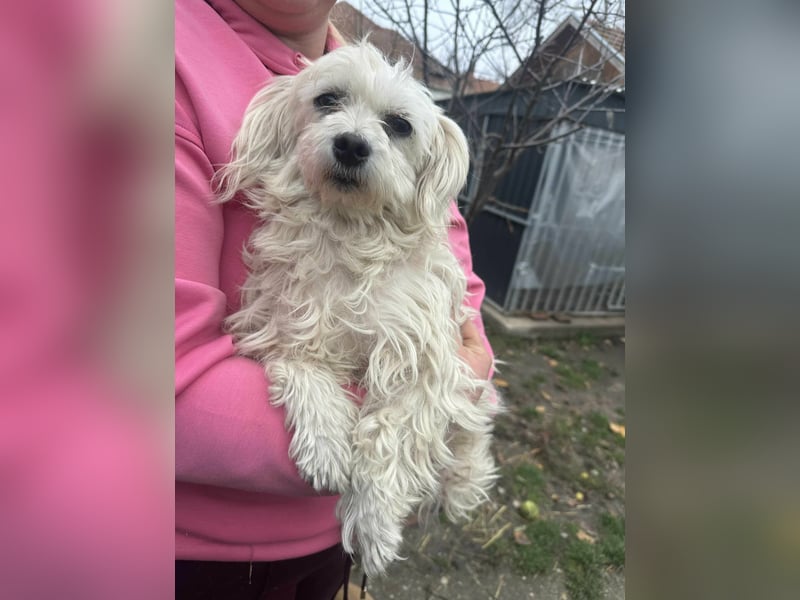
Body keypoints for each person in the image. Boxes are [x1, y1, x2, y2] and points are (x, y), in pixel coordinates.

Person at [175, 1, 494, 598]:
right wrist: (309, 386)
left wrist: (409, 444)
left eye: (394, 128)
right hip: (189, 556)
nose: (353, 137)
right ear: (286, 120)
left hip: (330, 544)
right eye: (329, 106)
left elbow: (463, 308)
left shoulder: (342, 58)